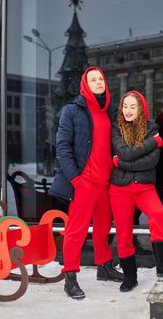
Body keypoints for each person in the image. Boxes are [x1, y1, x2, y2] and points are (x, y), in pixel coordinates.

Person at [50, 66, 124, 300]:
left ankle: (104, 266)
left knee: (103, 228)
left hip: (106, 182)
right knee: (76, 231)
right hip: (85, 182)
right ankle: (70, 276)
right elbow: (62, 147)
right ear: (85, 85)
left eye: (101, 78)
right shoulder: (72, 110)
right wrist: (76, 179)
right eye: (93, 79)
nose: (99, 82)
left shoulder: (110, 111)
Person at [109, 91, 163, 292]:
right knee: (124, 233)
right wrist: (154, 142)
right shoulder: (116, 128)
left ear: (141, 109)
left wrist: (122, 163)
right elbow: (124, 151)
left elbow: (151, 161)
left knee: (158, 214)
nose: (128, 110)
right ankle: (130, 276)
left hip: (144, 187)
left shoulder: (152, 128)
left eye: (132, 106)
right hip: (120, 190)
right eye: (125, 106)